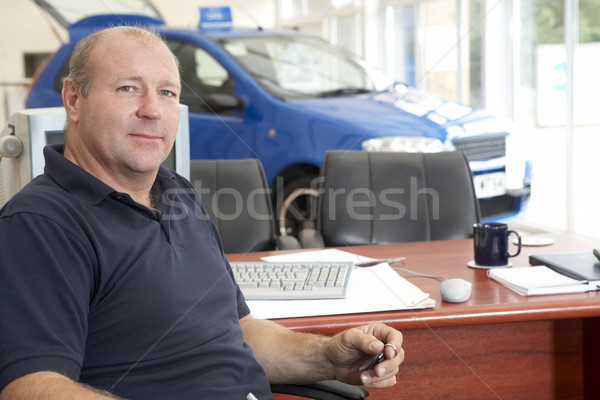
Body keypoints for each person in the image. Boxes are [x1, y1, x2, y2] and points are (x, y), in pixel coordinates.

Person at [0, 26, 404, 399]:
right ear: (73, 99)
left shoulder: (177, 193)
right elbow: (30, 386)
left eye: (167, 93)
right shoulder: (40, 224)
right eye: (128, 88)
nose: (152, 110)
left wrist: (327, 356)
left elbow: (237, 330)